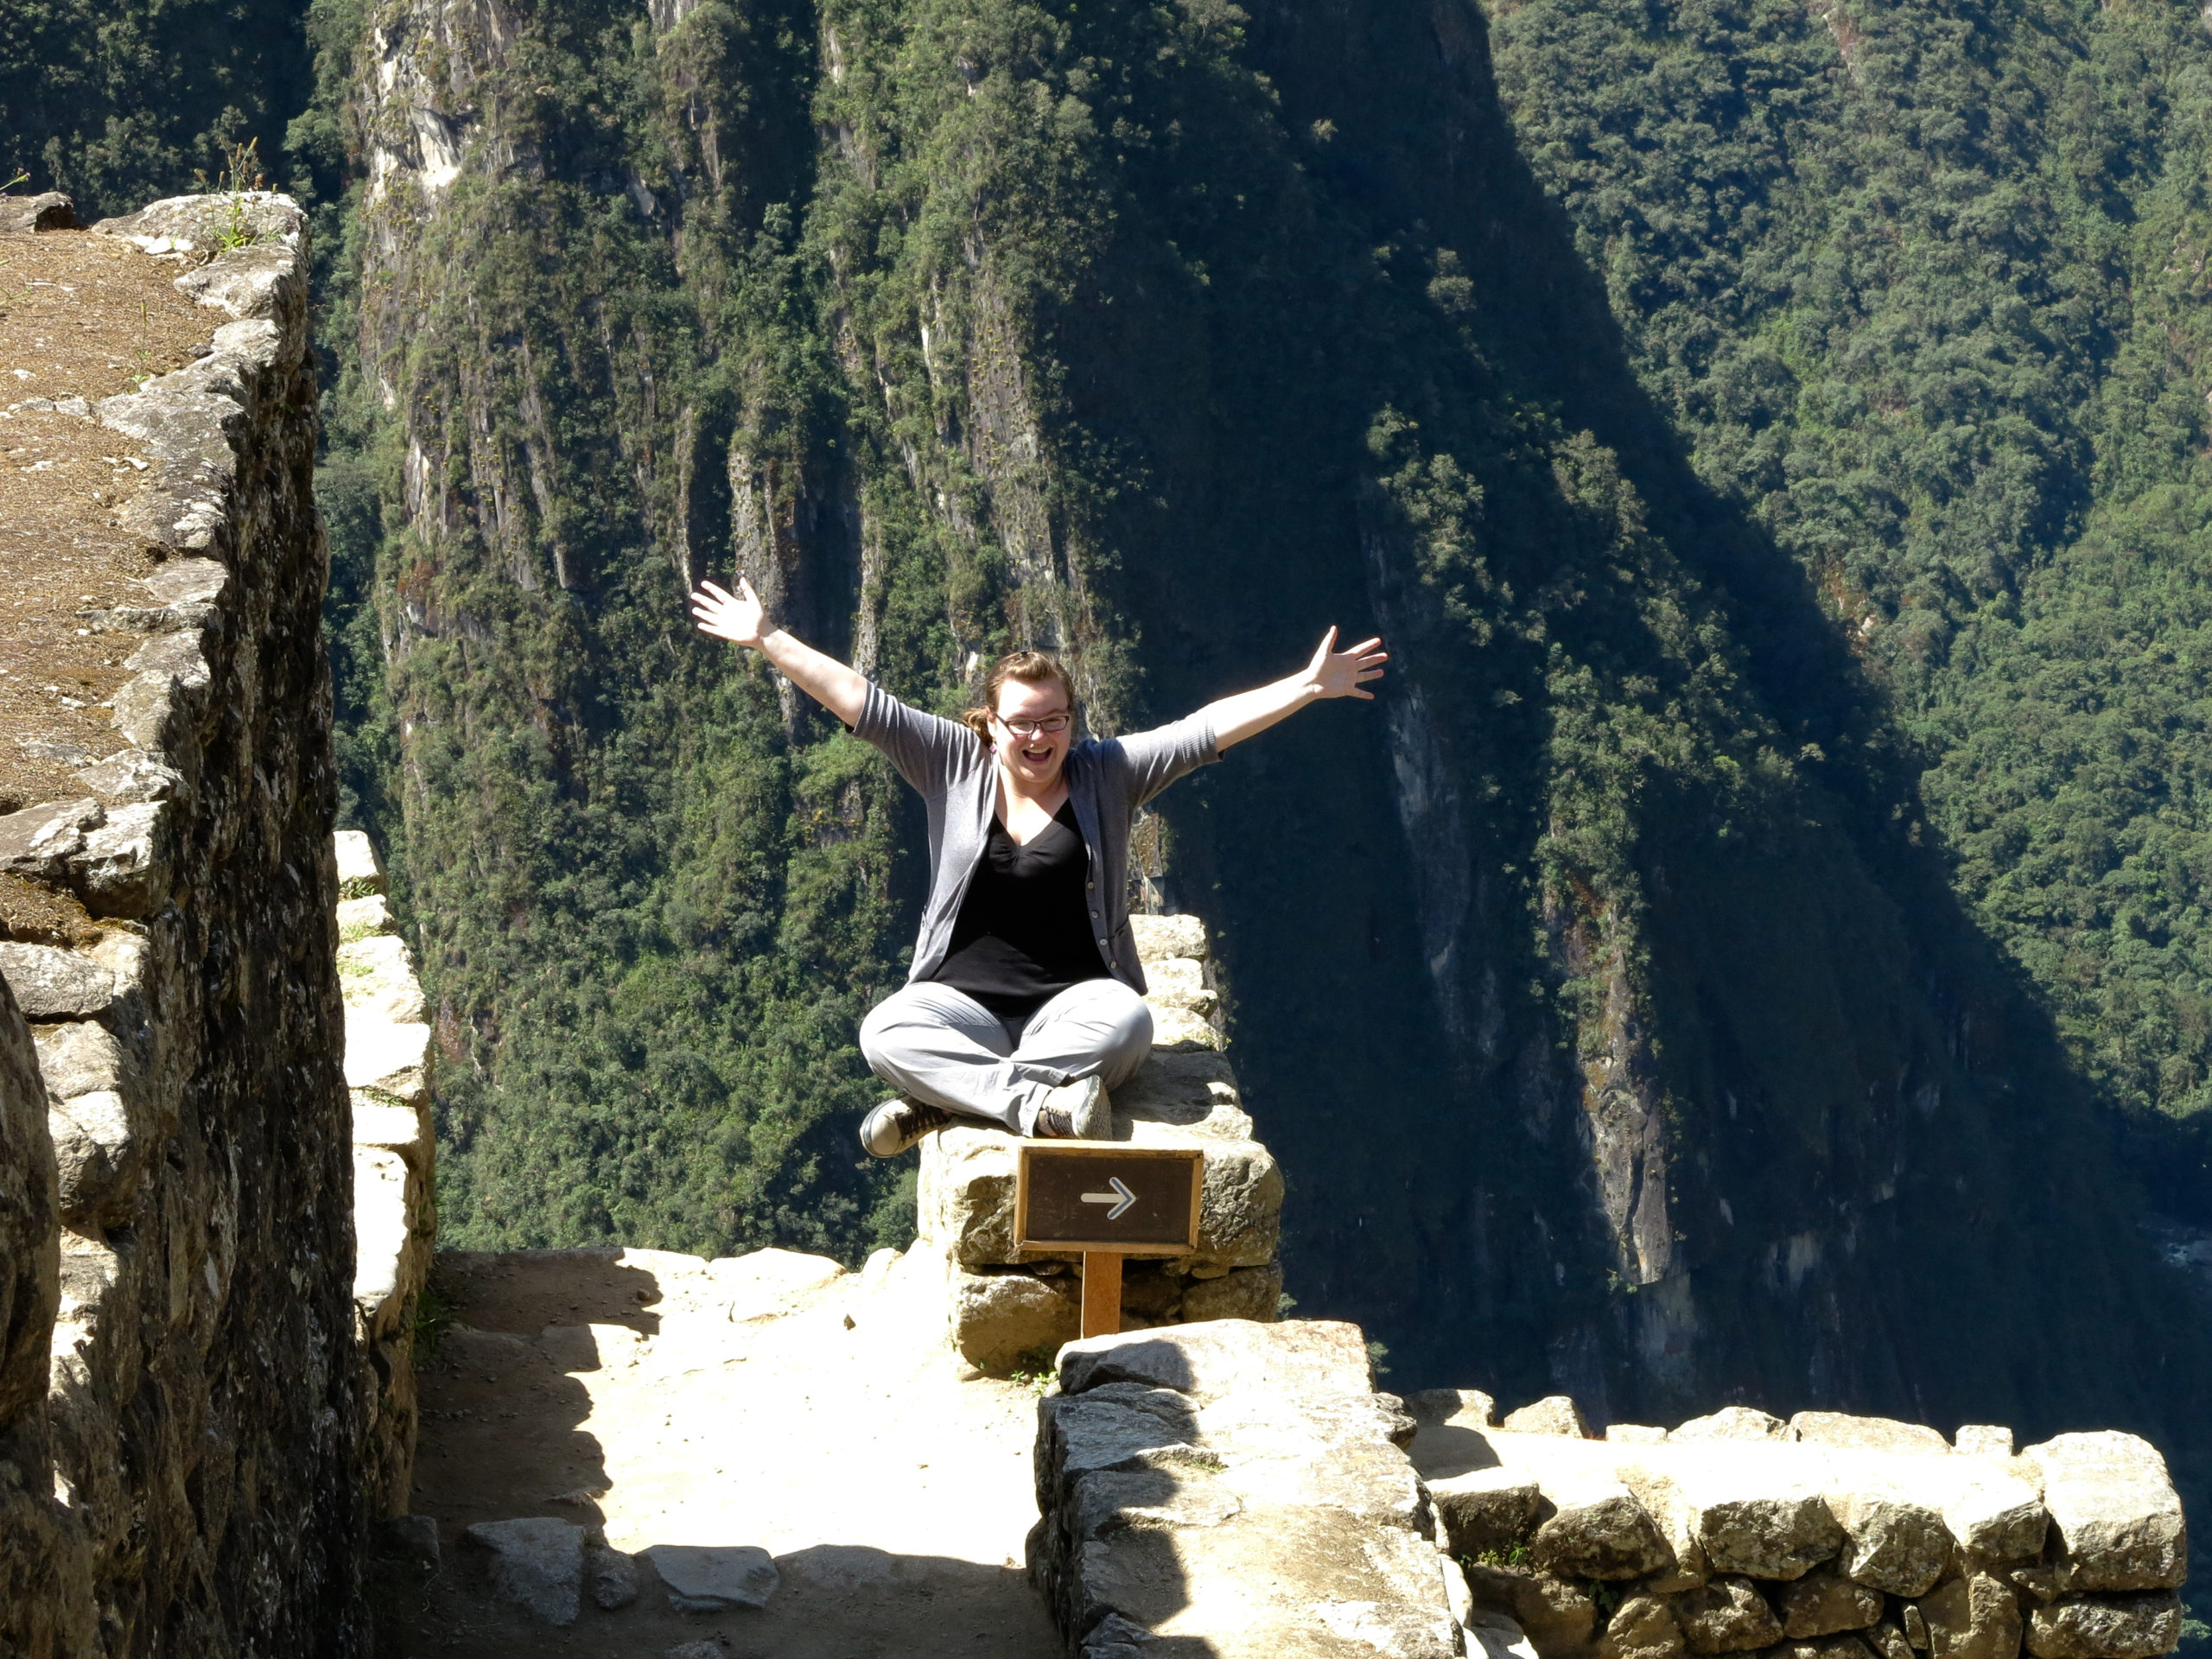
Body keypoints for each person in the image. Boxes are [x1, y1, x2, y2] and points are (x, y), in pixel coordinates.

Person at [689, 575, 1386, 1157]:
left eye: (1054, 720)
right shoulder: (948, 762)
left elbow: (1200, 732)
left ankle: (946, 1105)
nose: (1038, 735)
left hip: (1073, 1004)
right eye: (1021, 721)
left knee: (1129, 1024)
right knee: (885, 1031)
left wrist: (1305, 687)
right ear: (990, 725)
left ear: (1072, 724)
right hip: (960, 1005)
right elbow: (859, 700)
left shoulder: (1106, 774)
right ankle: (1028, 1103)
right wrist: (766, 636)